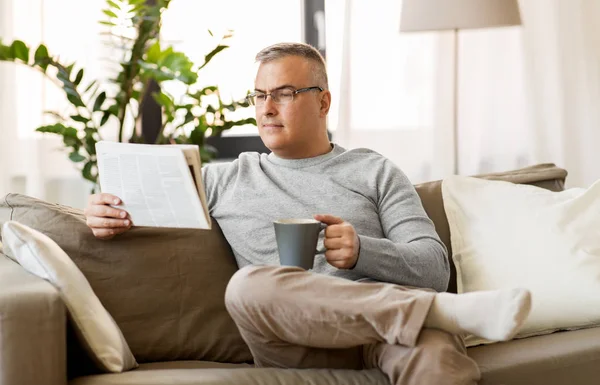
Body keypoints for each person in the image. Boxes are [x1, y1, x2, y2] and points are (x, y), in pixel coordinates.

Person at [84, 42, 531, 385]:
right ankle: (440, 312)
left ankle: (427, 316)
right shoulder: (221, 179)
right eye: (259, 96)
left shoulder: (374, 171)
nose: (266, 108)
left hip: (392, 339)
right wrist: (101, 209)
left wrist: (362, 252)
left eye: (284, 93)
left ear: (323, 102)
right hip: (296, 343)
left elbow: (433, 266)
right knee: (248, 287)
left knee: (436, 354)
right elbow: (131, 203)